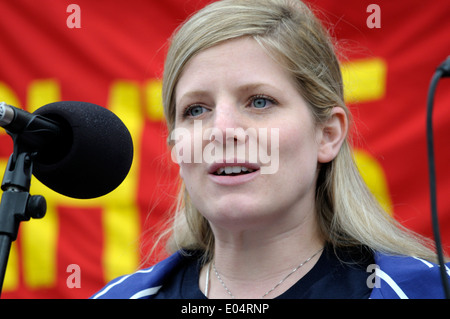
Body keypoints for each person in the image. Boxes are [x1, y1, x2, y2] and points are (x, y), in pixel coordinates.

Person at [92, 0, 449, 299]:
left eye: (259, 101)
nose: (223, 130)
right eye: (196, 110)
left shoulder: (429, 290)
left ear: (327, 134)